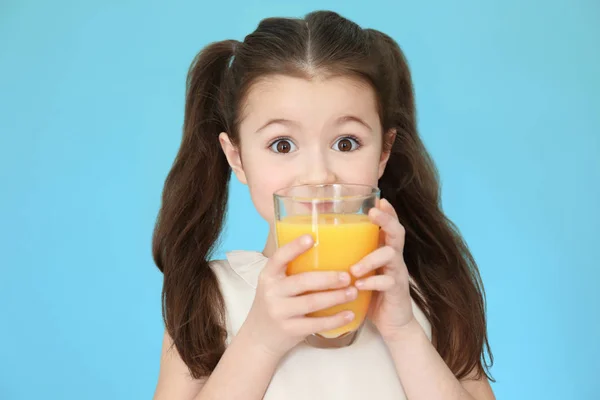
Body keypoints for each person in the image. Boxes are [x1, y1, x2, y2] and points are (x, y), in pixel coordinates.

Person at [151, 10, 495, 400]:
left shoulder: (428, 294)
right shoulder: (210, 300)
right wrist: (260, 342)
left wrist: (404, 332)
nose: (318, 176)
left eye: (346, 143)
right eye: (282, 145)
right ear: (237, 158)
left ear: (383, 152)